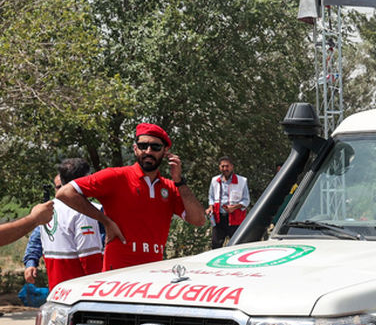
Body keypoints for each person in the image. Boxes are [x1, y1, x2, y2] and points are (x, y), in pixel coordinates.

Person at [57, 122, 206, 271]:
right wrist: (105, 221)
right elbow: (65, 193)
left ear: (165, 151)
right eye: (143, 146)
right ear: (135, 149)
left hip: (153, 273)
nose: (148, 151)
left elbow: (199, 220)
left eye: (155, 147)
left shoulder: (170, 187)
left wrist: (179, 181)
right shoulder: (116, 176)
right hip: (118, 275)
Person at [28, 159, 104, 291]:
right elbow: (89, 259)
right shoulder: (85, 211)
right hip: (81, 291)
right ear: (84, 180)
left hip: (57, 290)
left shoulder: (45, 210)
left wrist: (30, 261)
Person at [206, 156, 251, 248]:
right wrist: (210, 207)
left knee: (237, 245)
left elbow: (246, 200)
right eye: (222, 166)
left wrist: (234, 207)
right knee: (216, 245)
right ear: (219, 167)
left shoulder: (242, 181)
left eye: (227, 166)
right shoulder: (215, 180)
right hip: (219, 219)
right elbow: (211, 197)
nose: (225, 168)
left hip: (235, 219)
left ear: (232, 167)